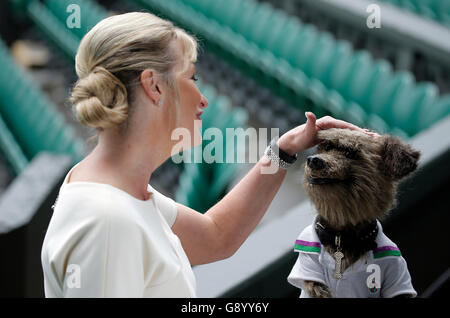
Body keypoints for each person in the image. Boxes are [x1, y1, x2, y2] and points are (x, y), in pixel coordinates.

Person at [41, 12, 375, 297]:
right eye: (191, 78)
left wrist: (283, 151)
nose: (203, 99)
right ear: (154, 86)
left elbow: (216, 236)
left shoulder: (121, 189)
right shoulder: (109, 222)